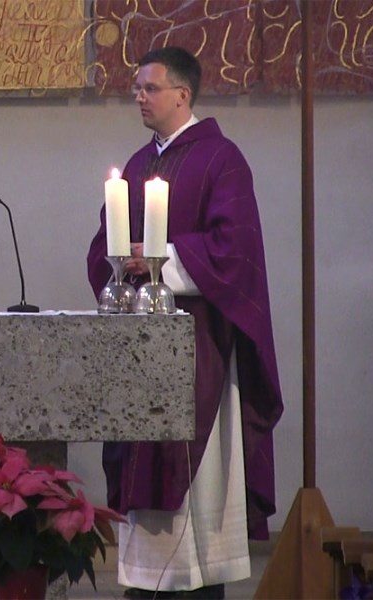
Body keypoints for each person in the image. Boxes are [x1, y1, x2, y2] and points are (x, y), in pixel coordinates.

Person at [87, 47, 284, 599]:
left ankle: (196, 584)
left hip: (200, 349)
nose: (139, 97)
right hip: (138, 352)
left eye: (150, 88)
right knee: (138, 463)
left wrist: (159, 260)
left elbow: (233, 252)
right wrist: (120, 263)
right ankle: (144, 584)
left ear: (183, 94)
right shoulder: (134, 165)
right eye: (136, 88)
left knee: (198, 487)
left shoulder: (222, 160)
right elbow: (105, 245)